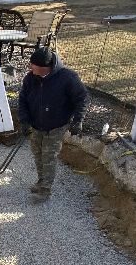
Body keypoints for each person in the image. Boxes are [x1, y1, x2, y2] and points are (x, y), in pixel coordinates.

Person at [17, 47, 87, 200]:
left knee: (48, 157)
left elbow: (82, 98)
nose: (30, 67)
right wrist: (24, 120)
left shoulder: (67, 78)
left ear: (44, 67)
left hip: (56, 126)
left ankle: (45, 191)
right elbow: (23, 100)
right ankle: (41, 181)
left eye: (32, 64)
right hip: (36, 126)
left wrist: (78, 120)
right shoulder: (30, 79)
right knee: (38, 155)